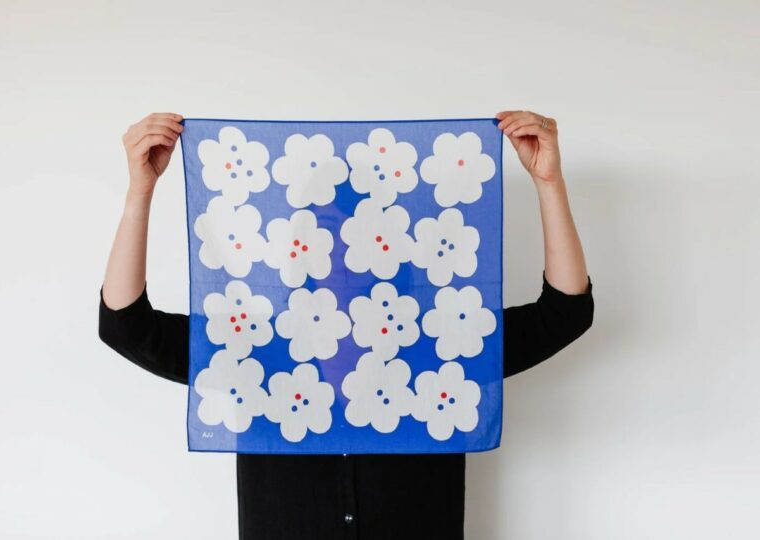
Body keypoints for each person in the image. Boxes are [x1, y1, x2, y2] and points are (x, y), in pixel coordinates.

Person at [98, 110, 594, 540]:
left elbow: (564, 313)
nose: (334, 249)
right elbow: (125, 326)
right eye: (319, 234)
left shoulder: (442, 348)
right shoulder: (254, 353)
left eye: (352, 233)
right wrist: (140, 192)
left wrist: (549, 182)